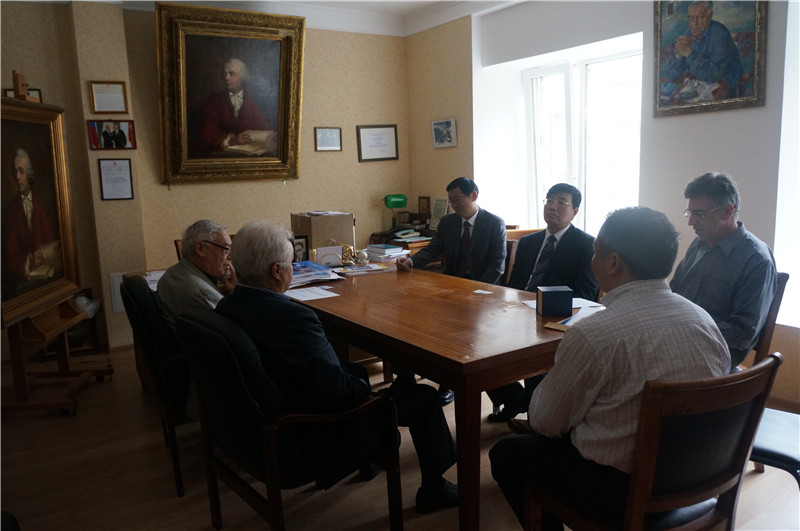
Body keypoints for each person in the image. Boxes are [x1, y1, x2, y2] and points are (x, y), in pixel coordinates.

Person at [490, 206, 730, 529]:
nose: (593, 260)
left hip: (621, 491)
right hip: (697, 475)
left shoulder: (594, 334)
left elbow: (545, 422)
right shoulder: (704, 322)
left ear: (613, 262)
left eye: (595, 252)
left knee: (508, 454)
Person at [215, 220, 459, 513]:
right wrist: (369, 392)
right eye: (292, 264)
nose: (293, 270)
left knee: (355, 371)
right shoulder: (293, 318)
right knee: (425, 398)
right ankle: (434, 489)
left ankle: (370, 459)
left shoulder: (227, 306)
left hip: (262, 421)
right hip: (316, 431)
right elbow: (340, 395)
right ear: (276, 271)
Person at [486, 183, 597, 424]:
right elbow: (514, 284)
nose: (552, 207)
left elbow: (585, 294)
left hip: (555, 319)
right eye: (549, 200)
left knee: (534, 358)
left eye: (561, 202)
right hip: (518, 313)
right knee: (481, 347)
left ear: (575, 211)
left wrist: (543, 306)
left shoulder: (586, 245)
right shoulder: (528, 242)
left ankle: (538, 417)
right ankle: (516, 399)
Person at [396, 177, 506, 405]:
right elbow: (433, 249)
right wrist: (411, 262)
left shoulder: (494, 223)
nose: (454, 205)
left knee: (454, 330)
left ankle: (449, 384)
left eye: (458, 199)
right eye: (451, 201)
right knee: (410, 318)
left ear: (473, 195)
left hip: (481, 291)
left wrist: (476, 291)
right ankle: (406, 377)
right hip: (450, 287)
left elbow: (497, 265)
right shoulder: (448, 223)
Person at [670, 171, 777, 370]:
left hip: (714, 355)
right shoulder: (699, 244)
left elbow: (743, 333)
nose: (691, 221)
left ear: (727, 212)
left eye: (699, 214)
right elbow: (673, 292)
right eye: (689, 212)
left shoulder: (755, 259)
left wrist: (688, 326)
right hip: (680, 341)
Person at [156, 220, 238, 331]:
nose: (230, 256)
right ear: (200, 249)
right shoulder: (200, 292)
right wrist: (237, 292)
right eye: (226, 249)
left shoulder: (174, 271)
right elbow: (236, 329)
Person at [2, 148, 59, 298]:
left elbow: (50, 239)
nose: (17, 177)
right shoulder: (11, 211)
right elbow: (10, 256)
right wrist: (29, 262)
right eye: (15, 172)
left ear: (30, 173)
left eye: (21, 171)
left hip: (48, 269)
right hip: (25, 278)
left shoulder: (42, 202)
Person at [662, 1, 744, 100]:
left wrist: (689, 53)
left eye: (700, 17)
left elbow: (712, 75)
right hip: (700, 85)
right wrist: (678, 56)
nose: (694, 23)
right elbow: (672, 76)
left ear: (710, 15)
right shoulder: (688, 33)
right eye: (691, 18)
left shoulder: (720, 35)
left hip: (727, 86)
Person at [197, 58, 271, 155]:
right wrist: (231, 140)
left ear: (242, 77)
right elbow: (208, 134)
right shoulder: (215, 101)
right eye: (225, 73)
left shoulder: (252, 101)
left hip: (248, 155)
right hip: (221, 154)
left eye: (231, 74)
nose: (226, 77)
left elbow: (264, 129)